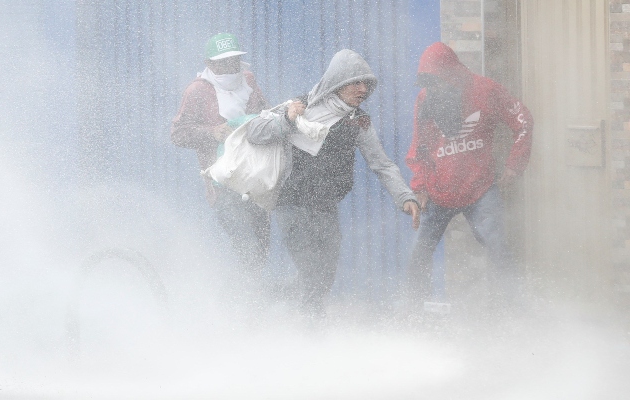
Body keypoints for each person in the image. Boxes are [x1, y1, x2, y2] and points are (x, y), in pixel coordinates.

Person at [246, 49, 421, 317]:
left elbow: (382, 164)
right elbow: (254, 132)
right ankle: (311, 332)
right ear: (338, 83)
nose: (363, 90)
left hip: (325, 208)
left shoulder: (357, 121)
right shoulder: (301, 107)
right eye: (356, 83)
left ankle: (267, 299)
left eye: (367, 84)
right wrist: (287, 120)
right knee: (312, 274)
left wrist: (405, 196)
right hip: (291, 205)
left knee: (323, 276)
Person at [405, 42, 534, 311]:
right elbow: (419, 148)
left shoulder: (485, 90)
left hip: (480, 188)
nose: (434, 88)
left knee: (497, 245)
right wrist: (419, 187)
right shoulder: (425, 99)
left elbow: (522, 120)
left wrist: (514, 165)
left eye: (439, 81)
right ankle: (413, 310)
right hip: (438, 190)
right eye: (429, 83)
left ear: (452, 74)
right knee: (418, 253)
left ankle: (512, 308)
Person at [171, 33, 270, 284]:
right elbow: (178, 134)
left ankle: (249, 298)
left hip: (254, 178)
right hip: (222, 184)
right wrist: (211, 133)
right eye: (222, 63)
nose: (230, 67)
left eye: (234, 61)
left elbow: (264, 113)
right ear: (209, 64)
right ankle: (243, 302)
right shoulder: (197, 91)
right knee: (246, 245)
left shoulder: (248, 81)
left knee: (261, 244)